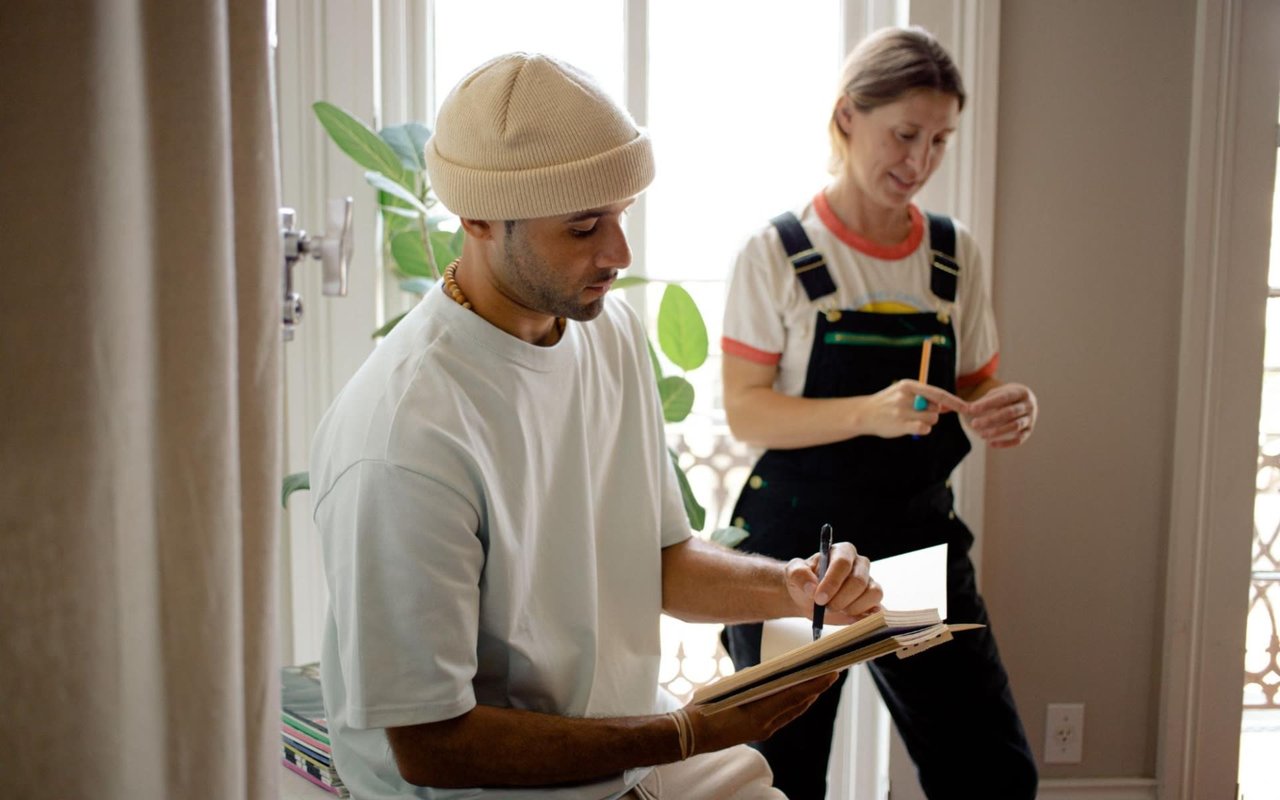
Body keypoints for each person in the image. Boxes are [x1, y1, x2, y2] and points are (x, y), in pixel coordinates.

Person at [309, 52, 885, 800]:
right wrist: (689, 731)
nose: (619, 253)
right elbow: (431, 746)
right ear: (477, 219)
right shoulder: (407, 434)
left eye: (621, 214)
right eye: (583, 227)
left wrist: (792, 587)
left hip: (628, 751)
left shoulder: (606, 331)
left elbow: (657, 559)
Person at [719, 27, 1040, 800]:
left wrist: (1004, 407)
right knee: (783, 779)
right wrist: (870, 411)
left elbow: (976, 385)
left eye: (940, 140)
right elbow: (748, 413)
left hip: (914, 551)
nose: (920, 160)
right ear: (846, 118)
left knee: (990, 774)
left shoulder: (953, 255)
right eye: (905, 134)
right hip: (793, 564)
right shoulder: (775, 254)